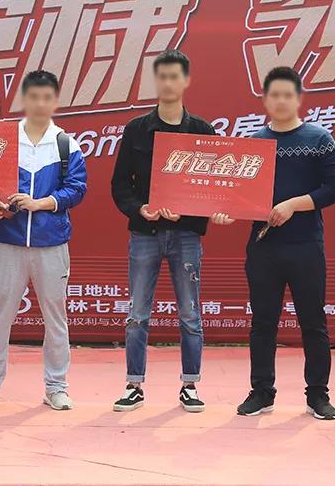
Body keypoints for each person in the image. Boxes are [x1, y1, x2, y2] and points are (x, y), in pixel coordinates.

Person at [217, 67, 335, 420]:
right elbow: (238, 197)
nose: (281, 101)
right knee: (263, 322)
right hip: (263, 247)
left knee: (313, 323)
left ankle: (317, 395)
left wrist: (292, 205)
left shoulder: (319, 138)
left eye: (288, 95)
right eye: (274, 95)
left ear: (299, 98)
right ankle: (262, 392)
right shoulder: (253, 144)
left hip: (306, 245)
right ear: (265, 99)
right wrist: (226, 213)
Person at [0, 70, 87, 412]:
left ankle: (57, 386)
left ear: (55, 101)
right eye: (33, 96)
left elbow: (77, 189)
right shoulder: (4, 141)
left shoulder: (66, 144)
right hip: (9, 243)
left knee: (56, 318)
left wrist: (41, 203)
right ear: (24, 99)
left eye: (46, 97)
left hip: (52, 245)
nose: (40, 103)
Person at [110, 49, 215, 412]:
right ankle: (134, 384)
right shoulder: (136, 129)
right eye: (162, 76)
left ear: (186, 81)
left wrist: (203, 209)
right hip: (145, 234)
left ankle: (190, 384)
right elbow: (120, 184)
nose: (168, 83)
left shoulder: (202, 131)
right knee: (137, 313)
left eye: (175, 76)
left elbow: (211, 186)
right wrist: (141, 208)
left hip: (186, 236)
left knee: (190, 313)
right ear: (156, 81)